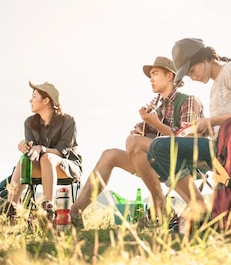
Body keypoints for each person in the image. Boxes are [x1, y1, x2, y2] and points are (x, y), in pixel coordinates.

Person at [68, 56, 205, 228]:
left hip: (185, 161)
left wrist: (155, 124)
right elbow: (140, 137)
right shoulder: (156, 106)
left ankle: (160, 206)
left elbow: (187, 141)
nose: (151, 79)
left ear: (169, 76)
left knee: (134, 143)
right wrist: (142, 129)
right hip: (159, 161)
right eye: (150, 76)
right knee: (109, 155)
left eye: (155, 74)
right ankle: (74, 213)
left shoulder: (188, 100)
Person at [147, 38, 231, 225]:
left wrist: (211, 121)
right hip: (220, 146)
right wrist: (202, 130)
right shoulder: (215, 86)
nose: (192, 77)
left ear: (204, 58)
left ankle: (199, 208)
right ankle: (194, 209)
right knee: (158, 152)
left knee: (159, 147)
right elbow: (223, 125)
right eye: (188, 75)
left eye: (192, 71)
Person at [1, 81, 83, 221]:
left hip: (68, 167)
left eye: (34, 96)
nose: (30, 100)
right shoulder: (30, 123)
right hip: (42, 167)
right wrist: (26, 147)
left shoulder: (68, 121)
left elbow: (64, 150)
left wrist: (42, 149)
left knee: (47, 157)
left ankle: (48, 208)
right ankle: (11, 208)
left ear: (46, 100)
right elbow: (33, 152)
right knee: (24, 160)